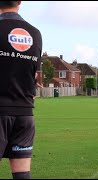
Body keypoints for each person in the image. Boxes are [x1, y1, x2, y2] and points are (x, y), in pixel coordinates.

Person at [0, 1, 43, 179]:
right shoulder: (35, 33)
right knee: (22, 174)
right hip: (25, 114)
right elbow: (34, 75)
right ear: (20, 2)